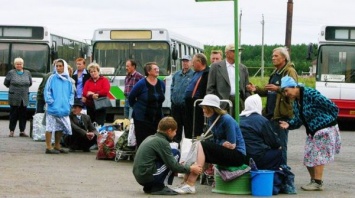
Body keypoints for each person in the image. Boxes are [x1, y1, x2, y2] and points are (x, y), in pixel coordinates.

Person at [174, 94, 246, 194]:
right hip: (227, 152)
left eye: (204, 108)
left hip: (237, 155)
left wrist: (220, 143)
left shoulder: (227, 120)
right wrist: (221, 143)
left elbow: (232, 144)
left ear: (212, 108)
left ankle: (190, 184)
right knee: (199, 146)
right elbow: (216, 141)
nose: (203, 110)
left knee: (201, 145)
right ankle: (186, 181)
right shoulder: (212, 119)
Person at [279, 75, 341, 191]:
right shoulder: (296, 103)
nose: (286, 94)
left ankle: (318, 182)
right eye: (284, 92)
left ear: (294, 86)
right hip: (313, 131)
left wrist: (329, 120)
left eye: (287, 90)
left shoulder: (310, 94)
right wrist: (289, 124)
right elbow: (298, 120)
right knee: (308, 155)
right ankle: (313, 181)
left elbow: (332, 106)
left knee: (317, 155)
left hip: (324, 128)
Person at [246, 46, 298, 165]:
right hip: (270, 115)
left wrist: (278, 88)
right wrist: (256, 89)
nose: (273, 58)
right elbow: (269, 91)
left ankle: (283, 172)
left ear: (284, 58)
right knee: (270, 144)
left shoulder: (289, 71)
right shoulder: (275, 73)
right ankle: (273, 169)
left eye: (276, 56)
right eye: (272, 56)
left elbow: (293, 91)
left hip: (281, 115)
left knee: (281, 145)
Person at [132, 117, 202, 195]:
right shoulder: (162, 142)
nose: (175, 134)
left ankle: (150, 187)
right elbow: (173, 166)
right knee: (175, 153)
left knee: (171, 156)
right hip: (147, 176)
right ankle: (160, 186)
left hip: (141, 176)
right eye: (175, 131)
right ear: (169, 131)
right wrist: (191, 168)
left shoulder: (151, 138)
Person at [239, 94, 282, 170]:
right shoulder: (261, 120)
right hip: (257, 156)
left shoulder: (238, 118)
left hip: (241, 155)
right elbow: (274, 142)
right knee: (278, 152)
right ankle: (271, 175)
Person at [207, 43, 251, 117]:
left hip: (239, 103)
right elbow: (210, 88)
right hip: (222, 103)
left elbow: (246, 89)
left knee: (237, 126)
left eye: (239, 51)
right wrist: (212, 105)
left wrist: (248, 103)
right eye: (234, 51)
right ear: (227, 53)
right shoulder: (216, 67)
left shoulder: (243, 68)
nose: (237, 53)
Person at [129, 62, 165, 147]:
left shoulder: (161, 83)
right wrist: (136, 108)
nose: (157, 70)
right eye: (155, 69)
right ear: (148, 72)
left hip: (157, 117)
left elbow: (161, 98)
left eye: (158, 68)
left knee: (156, 141)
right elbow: (131, 97)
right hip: (142, 118)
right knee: (143, 142)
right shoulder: (141, 84)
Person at [44, 59, 74, 154]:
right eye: (57, 66)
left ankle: (57, 146)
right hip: (53, 108)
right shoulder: (52, 78)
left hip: (64, 108)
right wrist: (50, 102)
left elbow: (71, 93)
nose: (58, 68)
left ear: (64, 67)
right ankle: (48, 147)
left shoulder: (68, 80)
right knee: (49, 127)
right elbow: (47, 90)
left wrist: (69, 104)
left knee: (60, 127)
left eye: (60, 66)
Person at [4, 57, 32, 137]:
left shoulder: (27, 73)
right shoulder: (11, 73)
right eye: (17, 64)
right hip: (14, 96)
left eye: (20, 64)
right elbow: (6, 83)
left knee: (23, 115)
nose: (19, 65)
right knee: (13, 114)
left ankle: (22, 131)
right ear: (14, 65)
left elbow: (30, 83)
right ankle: (11, 131)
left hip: (24, 97)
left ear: (23, 65)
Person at [184, 53, 209, 139]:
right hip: (189, 105)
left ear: (199, 62)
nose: (192, 64)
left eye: (193, 62)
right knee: (188, 127)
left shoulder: (207, 73)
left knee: (197, 128)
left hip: (198, 105)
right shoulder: (195, 73)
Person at [170, 55, 193, 144]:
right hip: (176, 107)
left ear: (191, 63)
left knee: (188, 129)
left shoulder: (193, 75)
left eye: (187, 61)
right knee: (176, 128)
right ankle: (176, 147)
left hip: (186, 107)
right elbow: (172, 87)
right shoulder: (176, 75)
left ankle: (187, 148)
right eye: (183, 61)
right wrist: (172, 99)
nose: (185, 63)